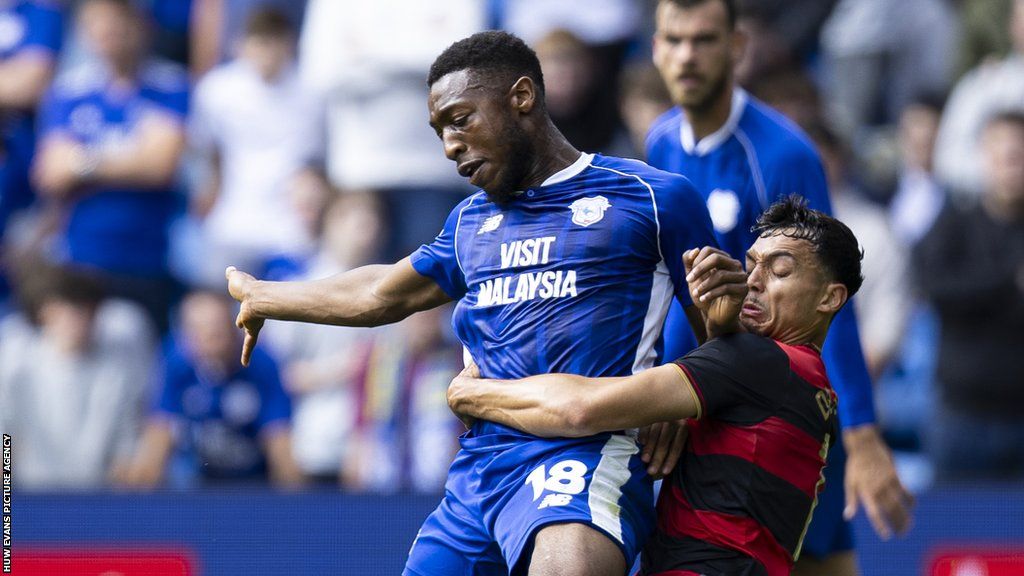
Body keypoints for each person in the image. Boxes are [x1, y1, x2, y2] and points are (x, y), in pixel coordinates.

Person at [227, 30, 719, 576]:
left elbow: (726, 341)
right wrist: (267, 296)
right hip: (480, 470)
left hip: (585, 455)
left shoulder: (654, 197)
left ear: (522, 97)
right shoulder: (469, 222)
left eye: (461, 119)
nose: (450, 146)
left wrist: (674, 398)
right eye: (440, 132)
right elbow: (381, 292)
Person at [448, 197, 858, 576]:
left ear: (830, 297)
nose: (754, 280)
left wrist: (473, 394)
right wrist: (692, 392)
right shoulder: (815, 390)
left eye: (780, 270)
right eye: (751, 264)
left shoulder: (758, 362)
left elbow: (581, 409)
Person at [644, 0, 912, 572]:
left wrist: (861, 432)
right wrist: (663, 390)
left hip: (783, 412)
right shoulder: (661, 143)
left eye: (705, 40)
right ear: (655, 49)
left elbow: (827, 295)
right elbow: (670, 285)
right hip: (700, 405)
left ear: (737, 47)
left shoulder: (783, 154)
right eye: (675, 40)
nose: (688, 56)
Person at [32, 0, 188, 333]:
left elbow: (160, 165)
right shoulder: (69, 91)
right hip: (80, 256)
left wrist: (82, 160)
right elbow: (50, 173)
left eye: (119, 24)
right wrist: (131, 156)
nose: (110, 34)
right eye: (100, 25)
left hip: (147, 257)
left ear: (143, 26)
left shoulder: (170, 85)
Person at [914, 111, 1024, 479]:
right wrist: (1008, 284)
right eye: (1004, 155)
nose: (1012, 165)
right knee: (956, 532)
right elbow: (936, 287)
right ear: (984, 157)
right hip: (962, 416)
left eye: (1019, 155)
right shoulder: (955, 221)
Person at [188, 5, 325, 285]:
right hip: (230, 222)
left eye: (274, 44)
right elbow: (204, 151)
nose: (267, 54)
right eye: (259, 44)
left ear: (289, 45)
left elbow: (319, 164)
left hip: (290, 229)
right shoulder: (216, 91)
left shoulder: (313, 92)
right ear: (240, 46)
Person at [122, 290, 304, 488]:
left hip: (255, 484)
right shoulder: (175, 363)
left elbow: (279, 440)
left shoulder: (263, 364)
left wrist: (294, 505)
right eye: (197, 331)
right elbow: (159, 432)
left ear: (234, 327)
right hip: (195, 483)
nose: (208, 338)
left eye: (216, 330)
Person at [0, 262, 153, 489]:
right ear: (46, 312)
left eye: (87, 311)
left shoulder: (119, 370)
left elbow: (127, 438)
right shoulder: (17, 364)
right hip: (33, 496)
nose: (78, 320)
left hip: (98, 498)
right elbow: (6, 433)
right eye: (69, 310)